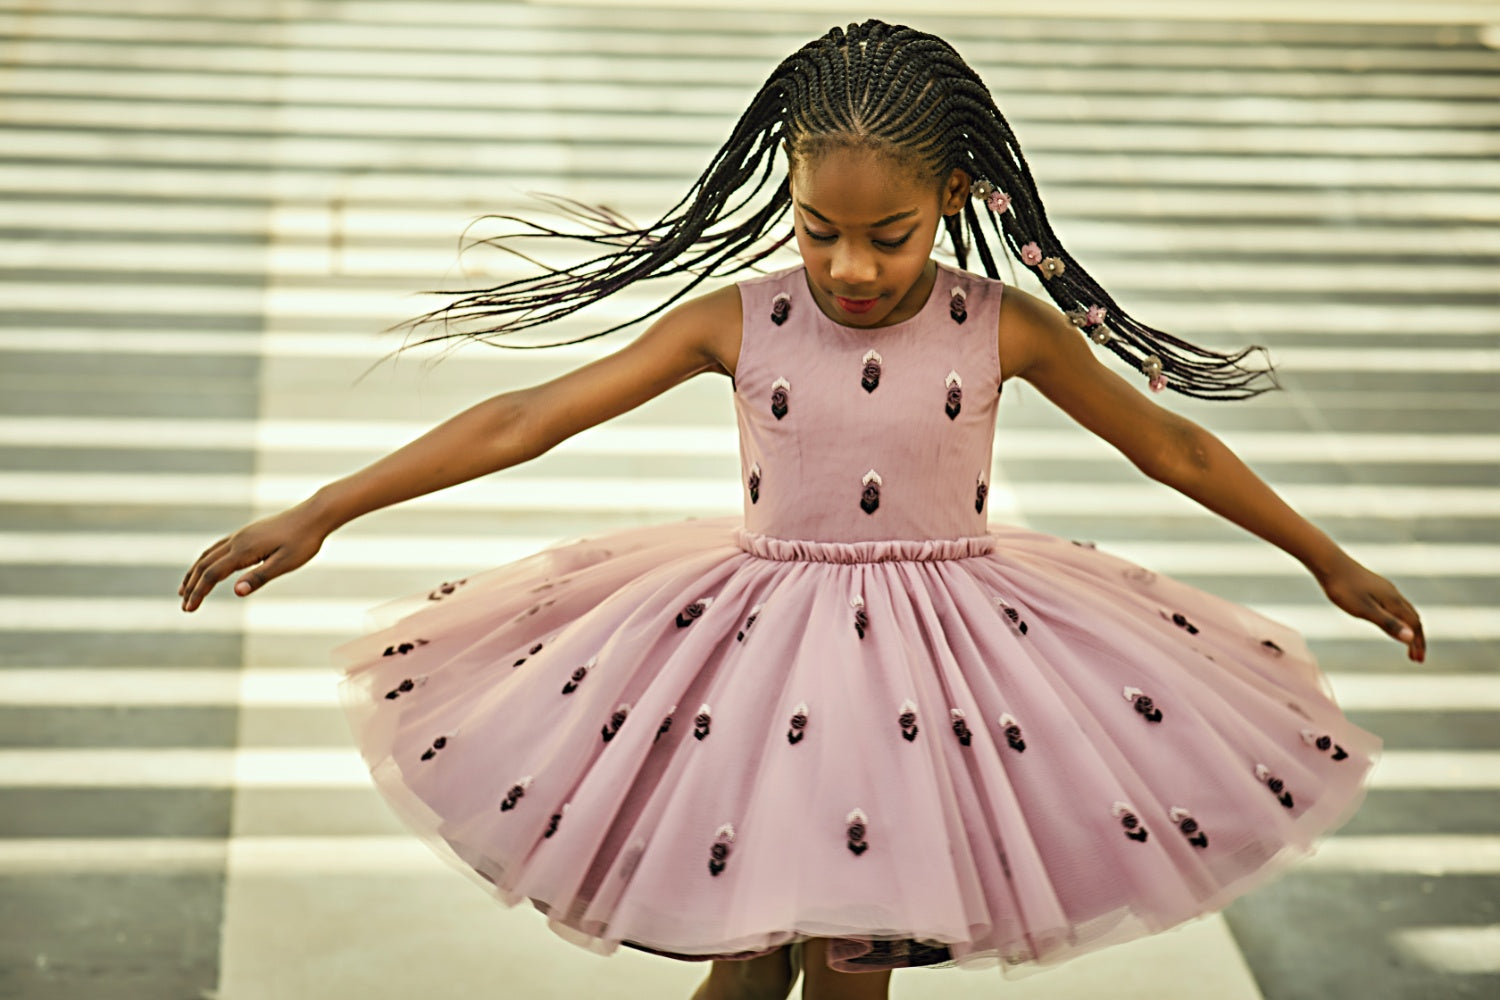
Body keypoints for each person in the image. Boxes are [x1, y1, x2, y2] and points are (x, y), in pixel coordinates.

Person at [178, 20, 1426, 1000]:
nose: (850, 268)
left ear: (955, 191)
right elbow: (528, 417)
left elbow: (1175, 447)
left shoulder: (1006, 329)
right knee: (750, 954)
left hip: (939, 675)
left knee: (852, 957)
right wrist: (327, 507)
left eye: (890, 235)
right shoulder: (744, 317)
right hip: (760, 668)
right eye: (819, 229)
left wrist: (1325, 558)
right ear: (785, 190)